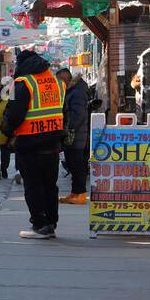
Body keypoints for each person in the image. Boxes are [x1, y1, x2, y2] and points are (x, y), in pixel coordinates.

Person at [1, 49, 66, 239]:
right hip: (52, 143)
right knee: (50, 185)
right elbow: (64, 111)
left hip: (29, 144)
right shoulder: (57, 83)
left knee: (33, 186)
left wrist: (6, 133)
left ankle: (39, 224)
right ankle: (51, 223)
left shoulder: (22, 84)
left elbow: (13, 115)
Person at [57, 67, 91, 204]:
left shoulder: (76, 92)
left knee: (77, 165)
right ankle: (75, 193)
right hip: (75, 134)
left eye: (59, 81)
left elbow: (78, 115)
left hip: (76, 136)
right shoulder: (72, 91)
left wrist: (69, 128)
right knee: (72, 163)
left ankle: (80, 194)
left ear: (65, 79)